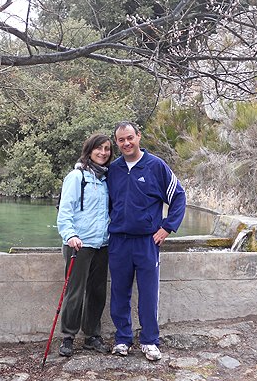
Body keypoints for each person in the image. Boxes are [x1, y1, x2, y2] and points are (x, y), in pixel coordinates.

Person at [107, 120, 186, 361]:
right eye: (121, 140)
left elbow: (179, 196)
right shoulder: (113, 170)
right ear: (117, 142)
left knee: (149, 294)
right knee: (119, 292)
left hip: (147, 242)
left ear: (138, 136)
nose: (126, 143)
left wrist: (167, 228)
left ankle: (150, 341)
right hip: (119, 241)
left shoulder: (156, 166)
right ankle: (122, 339)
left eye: (130, 138)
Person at [56, 133, 113, 357]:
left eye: (107, 149)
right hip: (78, 244)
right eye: (99, 148)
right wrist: (70, 235)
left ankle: (92, 336)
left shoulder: (107, 180)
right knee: (75, 292)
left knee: (97, 292)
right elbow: (65, 211)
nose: (103, 153)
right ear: (89, 150)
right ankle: (68, 337)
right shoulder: (76, 177)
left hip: (102, 244)